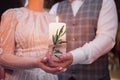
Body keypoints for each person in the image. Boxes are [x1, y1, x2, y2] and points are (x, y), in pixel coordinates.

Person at [49, 0, 118, 80]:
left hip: (95, 76)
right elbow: (48, 38)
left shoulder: (105, 2)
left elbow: (106, 39)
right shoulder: (56, 7)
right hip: (61, 76)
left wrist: (74, 56)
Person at [0, 0, 62, 80]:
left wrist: (59, 61)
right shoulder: (13, 15)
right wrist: (35, 63)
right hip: (20, 76)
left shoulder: (54, 19)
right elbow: (3, 57)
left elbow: (58, 54)